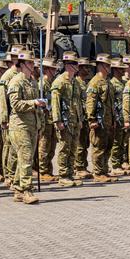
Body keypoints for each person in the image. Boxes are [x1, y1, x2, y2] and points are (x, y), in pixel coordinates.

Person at [7, 50, 45, 204]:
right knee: (26, 157)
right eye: (29, 63)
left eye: (32, 62)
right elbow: (15, 104)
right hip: (20, 126)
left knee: (24, 158)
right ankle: (27, 190)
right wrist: (33, 103)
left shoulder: (33, 81)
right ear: (21, 65)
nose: (32, 65)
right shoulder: (16, 82)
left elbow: (36, 106)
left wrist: (40, 120)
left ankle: (18, 189)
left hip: (32, 125)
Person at [51, 51, 84, 187]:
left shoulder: (75, 82)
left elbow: (78, 102)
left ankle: (70, 173)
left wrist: (80, 119)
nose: (78, 66)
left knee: (73, 148)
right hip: (64, 121)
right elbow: (55, 102)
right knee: (64, 148)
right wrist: (57, 120)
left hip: (74, 120)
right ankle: (63, 175)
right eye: (75, 63)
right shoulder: (60, 82)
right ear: (68, 65)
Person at [85, 54, 116, 183]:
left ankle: (104, 170)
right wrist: (91, 119)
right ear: (101, 66)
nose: (109, 68)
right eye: (107, 65)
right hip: (99, 121)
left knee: (107, 146)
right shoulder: (95, 82)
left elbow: (111, 103)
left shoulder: (107, 81)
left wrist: (113, 119)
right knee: (98, 147)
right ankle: (97, 173)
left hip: (108, 120)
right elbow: (90, 102)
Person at [0, 45, 23, 187]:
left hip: (20, 119)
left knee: (16, 148)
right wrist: (4, 119)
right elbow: (2, 100)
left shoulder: (22, 75)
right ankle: (9, 175)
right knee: (9, 148)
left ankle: (15, 175)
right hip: (10, 119)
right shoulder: (8, 76)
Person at [38, 57, 59, 181]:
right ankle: (43, 171)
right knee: (44, 146)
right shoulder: (42, 84)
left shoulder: (51, 83)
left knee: (51, 147)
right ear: (46, 69)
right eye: (52, 69)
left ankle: (48, 170)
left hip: (51, 119)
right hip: (45, 119)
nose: (54, 71)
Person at [74, 57, 94, 180]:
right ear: (80, 68)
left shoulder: (84, 83)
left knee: (85, 143)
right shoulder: (76, 83)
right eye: (86, 67)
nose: (88, 70)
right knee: (80, 144)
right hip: (79, 117)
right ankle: (79, 167)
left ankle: (82, 165)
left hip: (85, 117)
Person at [109, 59, 127, 177]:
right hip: (116, 116)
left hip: (123, 116)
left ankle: (120, 163)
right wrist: (113, 118)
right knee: (116, 142)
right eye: (121, 69)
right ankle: (115, 165)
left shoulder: (123, 83)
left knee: (122, 142)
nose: (123, 70)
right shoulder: (112, 84)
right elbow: (110, 103)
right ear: (115, 70)